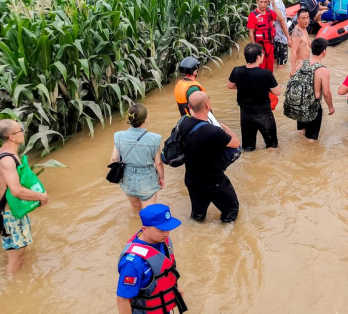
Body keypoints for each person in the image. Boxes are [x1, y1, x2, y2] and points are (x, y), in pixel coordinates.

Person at [0, 119, 49, 274]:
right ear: (12, 136)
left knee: (17, 254)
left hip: (9, 213)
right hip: (10, 217)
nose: (23, 133)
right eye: (20, 130)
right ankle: (13, 290)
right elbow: (17, 190)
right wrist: (41, 197)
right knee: (17, 259)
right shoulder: (7, 160)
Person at [179, 91, 241, 222]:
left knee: (197, 217)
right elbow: (235, 143)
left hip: (192, 179)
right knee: (231, 210)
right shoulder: (214, 131)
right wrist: (225, 127)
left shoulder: (184, 124)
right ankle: (225, 239)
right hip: (213, 181)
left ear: (189, 107)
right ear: (207, 105)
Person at [116, 204, 188, 314]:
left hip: (163, 307)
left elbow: (168, 268)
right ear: (144, 229)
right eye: (161, 230)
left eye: (168, 228)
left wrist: (176, 286)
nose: (166, 234)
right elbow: (123, 299)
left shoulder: (163, 242)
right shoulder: (133, 263)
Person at [110, 104, 164, 213]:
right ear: (146, 119)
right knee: (149, 214)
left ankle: (135, 226)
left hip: (127, 180)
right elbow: (158, 163)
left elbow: (113, 159)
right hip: (147, 181)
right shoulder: (154, 138)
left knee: (135, 209)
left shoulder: (119, 136)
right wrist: (161, 178)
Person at [227, 43, 281, 151]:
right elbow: (277, 92)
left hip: (245, 115)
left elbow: (230, 86)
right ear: (258, 57)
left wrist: (244, 86)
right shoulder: (266, 74)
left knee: (248, 148)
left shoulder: (237, 71)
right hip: (264, 114)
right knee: (272, 146)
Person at [296, 38, 335, 141]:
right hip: (313, 106)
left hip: (300, 103)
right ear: (324, 51)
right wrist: (331, 107)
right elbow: (326, 93)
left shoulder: (301, 63)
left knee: (302, 131)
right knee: (311, 139)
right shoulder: (323, 70)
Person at [247, 0, 277, 72]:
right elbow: (251, 33)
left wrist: (274, 5)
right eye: (261, 2)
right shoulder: (253, 15)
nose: (263, 4)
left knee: (270, 71)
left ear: (268, 2)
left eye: (265, 2)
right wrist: (254, 49)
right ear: (257, 2)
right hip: (259, 47)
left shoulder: (270, 13)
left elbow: (281, 18)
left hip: (270, 46)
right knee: (259, 70)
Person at [270, 0, 292, 68]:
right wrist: (288, 38)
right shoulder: (279, 4)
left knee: (275, 61)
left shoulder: (273, 1)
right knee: (281, 64)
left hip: (273, 36)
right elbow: (282, 22)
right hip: (280, 38)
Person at [290, 9, 312, 74]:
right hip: (299, 67)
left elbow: (309, 43)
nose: (306, 21)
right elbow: (293, 52)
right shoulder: (297, 32)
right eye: (303, 18)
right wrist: (293, 71)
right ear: (298, 19)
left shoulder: (304, 29)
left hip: (306, 65)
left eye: (308, 18)